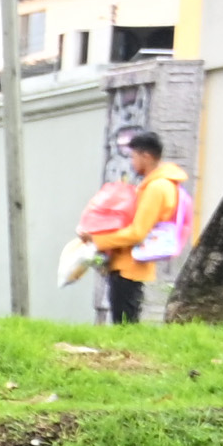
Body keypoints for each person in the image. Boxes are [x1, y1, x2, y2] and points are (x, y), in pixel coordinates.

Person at [84, 129, 187, 325]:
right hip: (129, 264)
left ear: (146, 156)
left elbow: (138, 232)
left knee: (124, 325)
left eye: (134, 156)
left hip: (129, 267)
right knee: (126, 322)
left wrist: (97, 241)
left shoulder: (157, 187)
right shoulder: (159, 185)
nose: (132, 162)